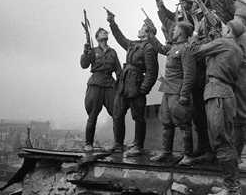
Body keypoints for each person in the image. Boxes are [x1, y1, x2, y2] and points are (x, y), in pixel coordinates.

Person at [190, 19, 245, 195]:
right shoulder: (236, 49)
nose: (221, 29)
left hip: (217, 92)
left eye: (223, 27)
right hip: (225, 93)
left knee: (221, 142)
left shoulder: (223, 43)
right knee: (226, 140)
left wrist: (195, 33)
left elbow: (194, 51)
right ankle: (232, 185)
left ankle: (231, 188)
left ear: (229, 30)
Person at [105, 12, 158, 157]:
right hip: (123, 84)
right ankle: (118, 145)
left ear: (148, 32)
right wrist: (112, 23)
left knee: (138, 117)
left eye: (142, 28)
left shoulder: (149, 48)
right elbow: (120, 38)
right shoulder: (133, 44)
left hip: (136, 85)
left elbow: (152, 71)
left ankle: (138, 146)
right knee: (117, 114)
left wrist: (145, 88)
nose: (139, 30)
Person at [148, 21, 197, 167]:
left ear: (180, 32)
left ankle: (188, 155)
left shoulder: (186, 49)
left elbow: (190, 74)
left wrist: (184, 94)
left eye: (174, 29)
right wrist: (150, 34)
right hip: (168, 90)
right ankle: (166, 152)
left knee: (183, 123)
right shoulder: (174, 47)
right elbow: (159, 47)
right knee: (166, 122)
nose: (172, 31)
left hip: (178, 91)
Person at [80, 27, 121, 152]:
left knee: (116, 114)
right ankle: (88, 144)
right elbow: (84, 65)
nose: (104, 33)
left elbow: (118, 70)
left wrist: (121, 85)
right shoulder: (92, 51)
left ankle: (118, 144)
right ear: (97, 38)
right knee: (92, 115)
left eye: (105, 32)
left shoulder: (113, 52)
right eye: (101, 33)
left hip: (109, 84)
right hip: (95, 84)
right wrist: (85, 52)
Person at [233, 8, 246, 164]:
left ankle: (237, 155)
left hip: (241, 75)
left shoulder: (241, 36)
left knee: (240, 117)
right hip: (241, 75)